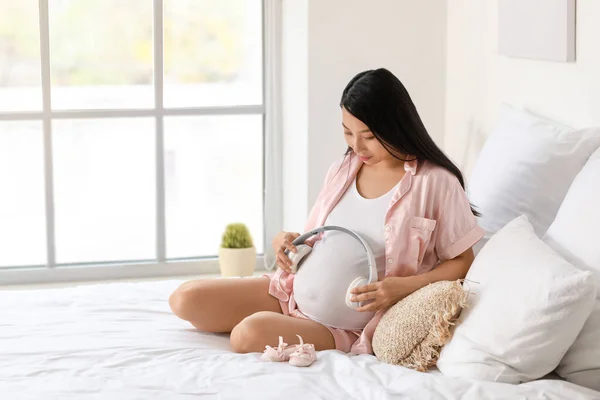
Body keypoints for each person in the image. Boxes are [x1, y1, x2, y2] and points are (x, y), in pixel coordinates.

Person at [169, 68, 484, 355]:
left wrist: (401, 288)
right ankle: (284, 317)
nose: (357, 147)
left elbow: (462, 261)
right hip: (289, 292)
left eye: (369, 137)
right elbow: (326, 238)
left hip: (341, 323)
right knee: (185, 298)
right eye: (348, 133)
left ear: (397, 125)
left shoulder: (436, 182)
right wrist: (288, 242)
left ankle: (294, 327)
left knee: (246, 336)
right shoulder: (345, 168)